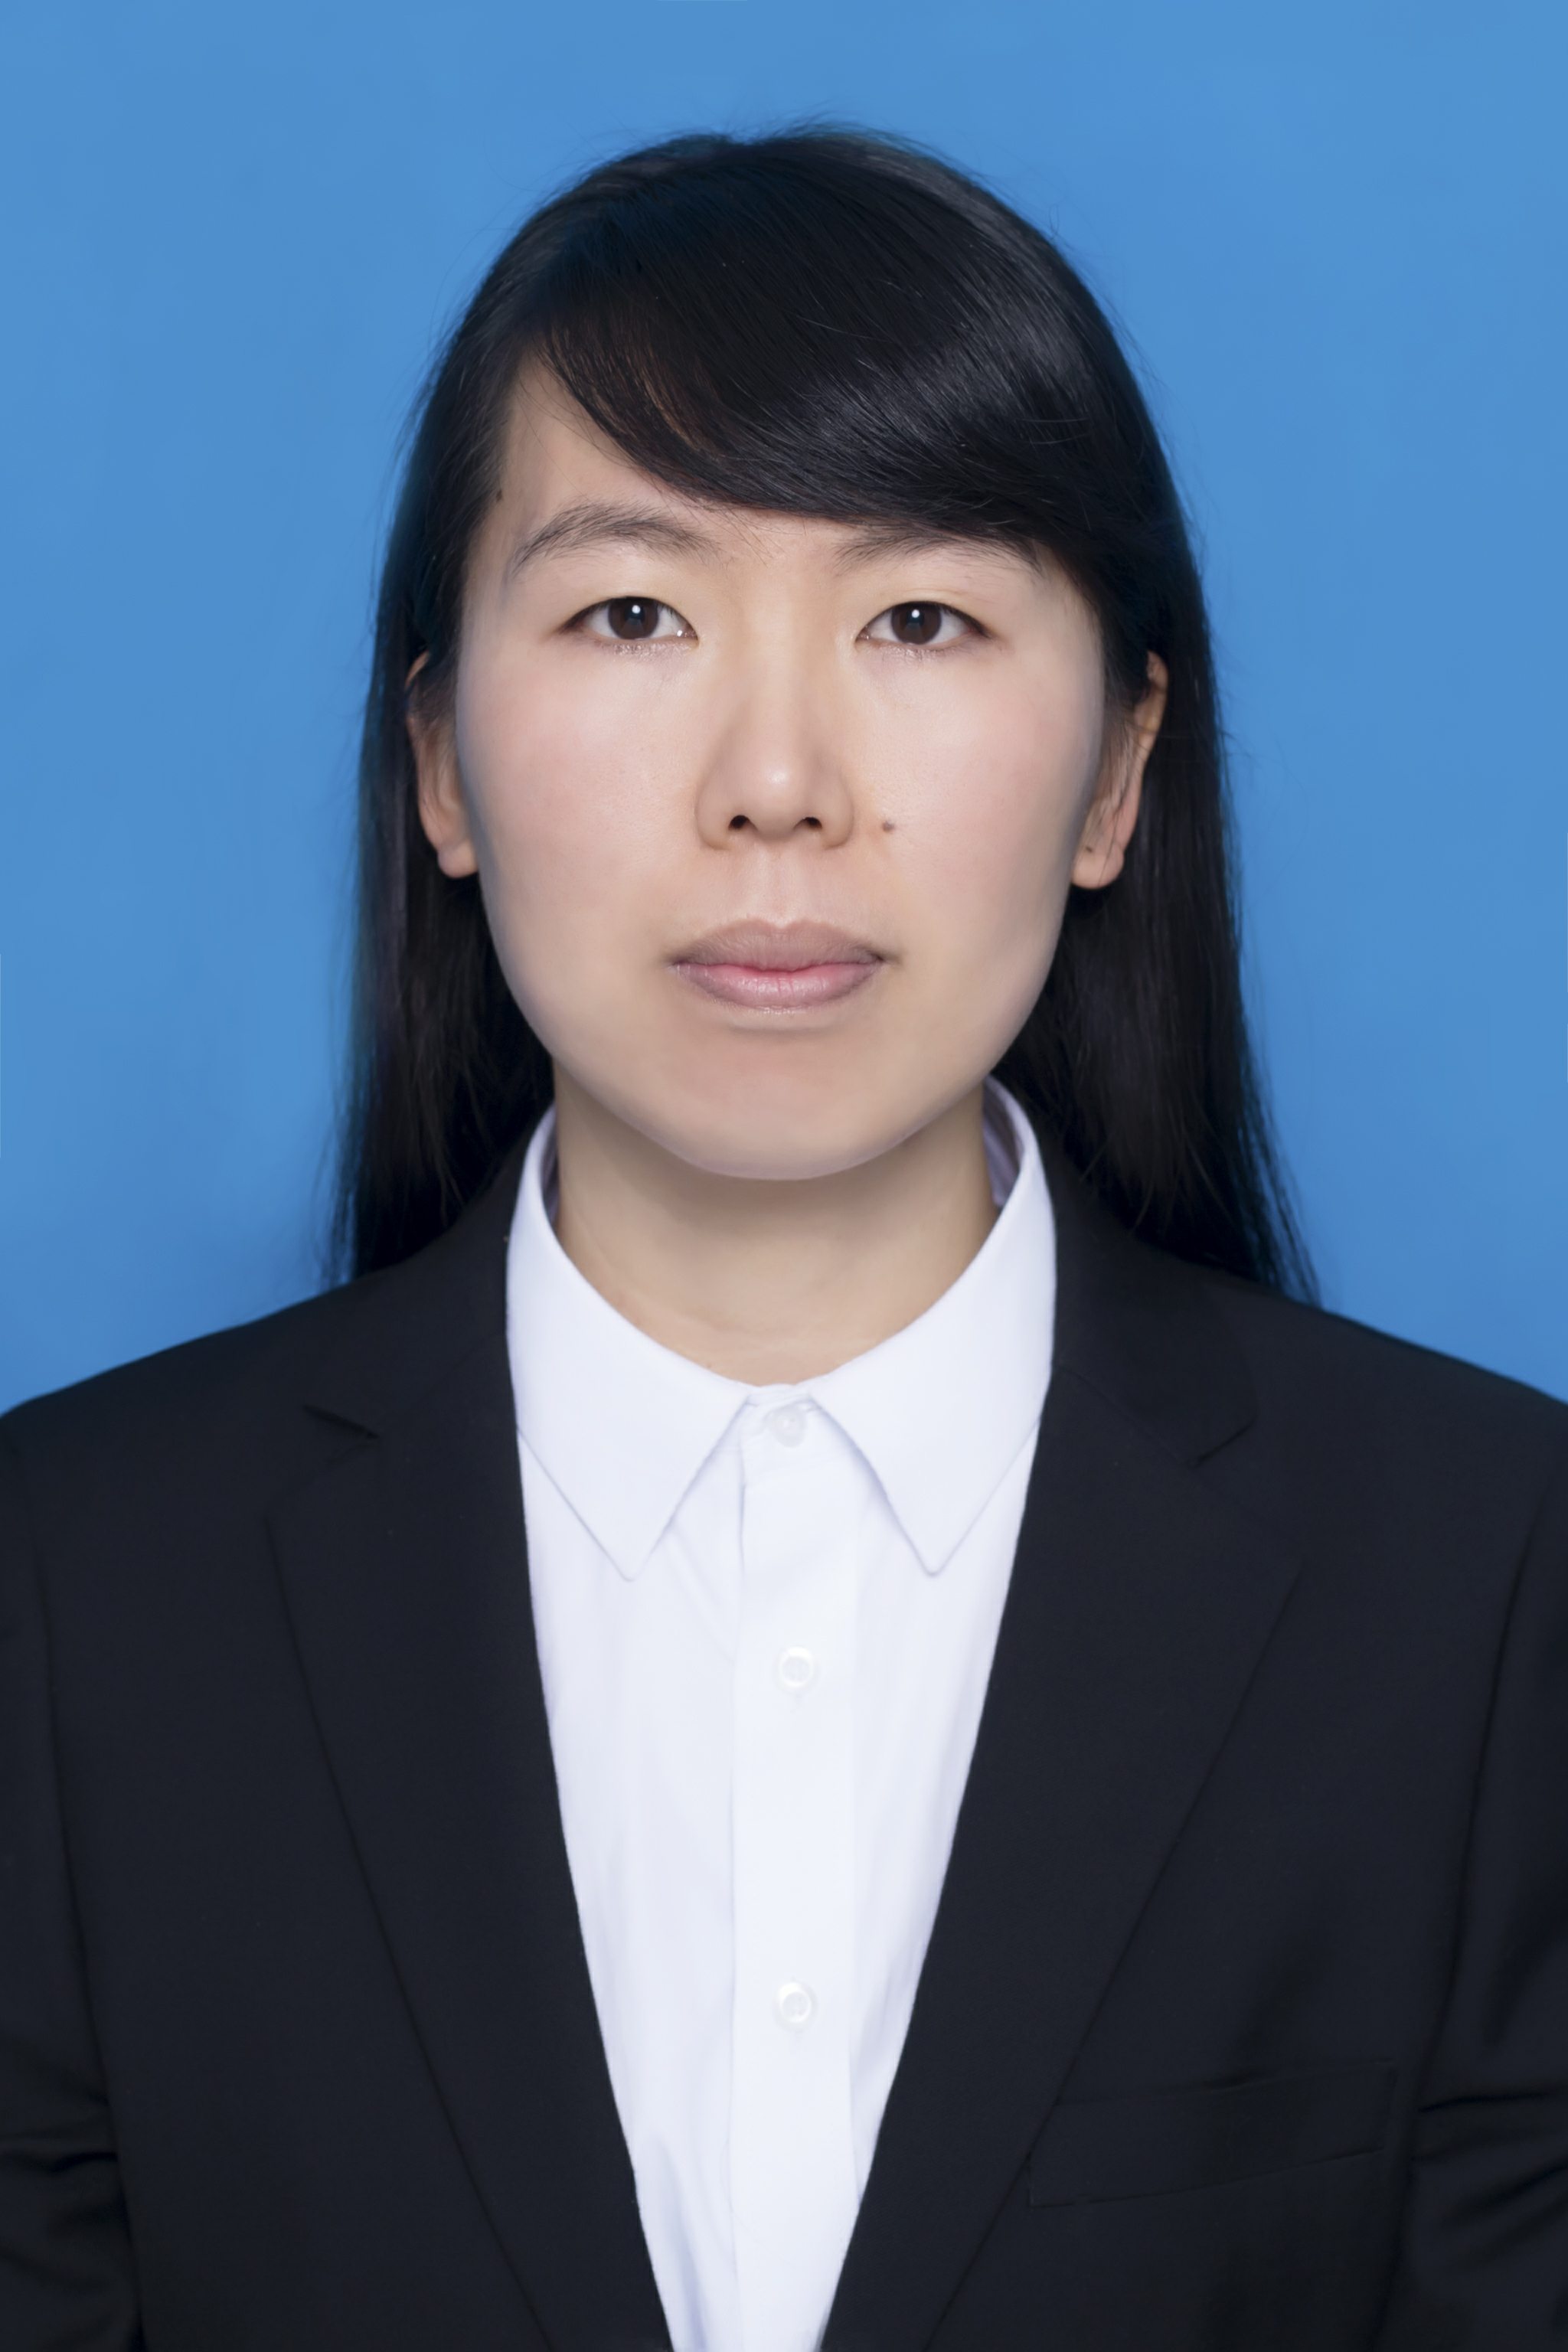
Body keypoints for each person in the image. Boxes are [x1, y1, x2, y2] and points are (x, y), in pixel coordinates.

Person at [1, 128, 1564, 2352]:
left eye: (920, 618)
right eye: (633, 614)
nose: (776, 780)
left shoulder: (1491, 1585)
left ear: (1121, 771)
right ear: (439, 761)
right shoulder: (70, 1596)